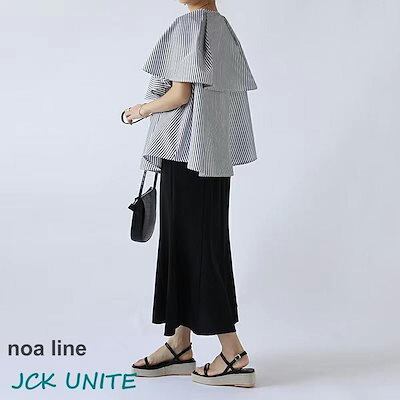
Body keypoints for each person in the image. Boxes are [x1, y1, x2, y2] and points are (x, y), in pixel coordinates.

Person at [123, 0, 258, 387]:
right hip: (212, 156)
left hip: (184, 156)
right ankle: (180, 344)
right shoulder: (224, 29)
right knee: (197, 245)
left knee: (196, 250)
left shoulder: (189, 26)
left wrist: (140, 110)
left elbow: (179, 95)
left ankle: (233, 353)